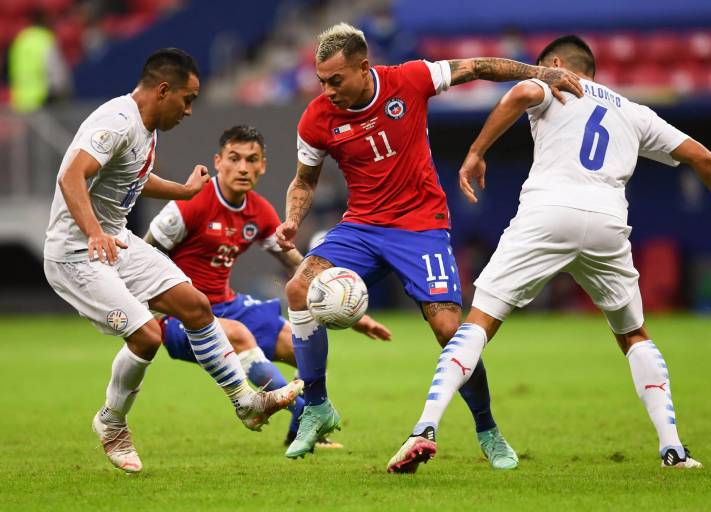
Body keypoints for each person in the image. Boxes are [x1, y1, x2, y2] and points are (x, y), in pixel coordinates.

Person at [387, 35, 711, 473]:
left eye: (540, 65)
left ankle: (425, 427)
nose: (536, 71)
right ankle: (673, 448)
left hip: (547, 213)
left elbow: (524, 89)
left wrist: (475, 152)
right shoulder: (634, 111)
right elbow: (705, 158)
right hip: (607, 223)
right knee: (634, 335)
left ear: (558, 63)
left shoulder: (555, 81)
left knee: (480, 321)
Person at [275, 22, 584, 464]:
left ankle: (488, 430)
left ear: (364, 68)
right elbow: (304, 181)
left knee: (448, 332)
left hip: (421, 227)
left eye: (336, 80)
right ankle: (318, 408)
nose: (327, 91)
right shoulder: (317, 117)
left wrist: (539, 72)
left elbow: (476, 66)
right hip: (361, 227)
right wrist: (292, 218)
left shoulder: (410, 79)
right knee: (298, 289)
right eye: (322, 80)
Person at [42, 49, 302, 474]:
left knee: (196, 306)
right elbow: (71, 175)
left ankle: (247, 403)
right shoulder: (117, 121)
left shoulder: (146, 128)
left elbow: (134, 180)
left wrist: (182, 192)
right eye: (187, 98)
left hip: (116, 241)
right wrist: (92, 232)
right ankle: (111, 423)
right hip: (77, 252)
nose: (189, 109)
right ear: (163, 90)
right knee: (147, 336)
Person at [144, 125, 391, 447]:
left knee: (303, 344)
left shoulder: (258, 211)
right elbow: (142, 258)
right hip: (180, 315)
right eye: (235, 158)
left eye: (252, 160)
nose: (243, 167)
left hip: (226, 305)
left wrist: (354, 316)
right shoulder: (189, 204)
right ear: (218, 162)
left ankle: (298, 433)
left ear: (263, 166)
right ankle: (307, 415)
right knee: (239, 335)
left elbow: (299, 266)